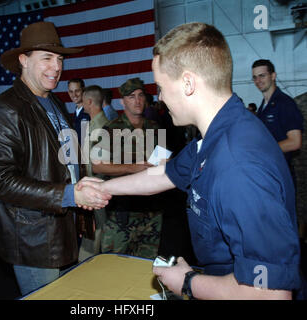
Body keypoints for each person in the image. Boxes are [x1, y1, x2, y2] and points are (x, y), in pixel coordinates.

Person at [78, 23, 302, 299]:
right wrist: (103, 189)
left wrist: (187, 282)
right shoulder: (217, 134)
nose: (158, 97)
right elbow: (163, 175)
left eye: (160, 86)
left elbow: (271, 294)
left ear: (187, 83)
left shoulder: (239, 165)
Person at [0, 21, 111, 296]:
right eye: (47, 58)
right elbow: (1, 180)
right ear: (23, 60)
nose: (56, 67)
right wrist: (69, 194)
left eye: (60, 59)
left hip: (65, 228)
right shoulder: (5, 108)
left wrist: (81, 180)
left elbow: (64, 159)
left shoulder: (55, 103)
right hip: (34, 238)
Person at [91, 77, 164, 260]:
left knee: (146, 268)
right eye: (131, 97)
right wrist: (133, 168)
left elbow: (163, 158)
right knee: (113, 266)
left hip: (152, 212)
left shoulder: (155, 127)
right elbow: (97, 164)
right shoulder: (112, 129)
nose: (137, 100)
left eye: (140, 95)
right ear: (122, 101)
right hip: (122, 213)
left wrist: (163, 162)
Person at [252, 59, 303, 181]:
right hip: (268, 171)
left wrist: (262, 150)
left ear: (273, 76)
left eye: (262, 76)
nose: (258, 81)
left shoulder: (285, 103)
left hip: (281, 172)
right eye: (254, 77)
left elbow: (295, 142)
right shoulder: (263, 107)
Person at [77, 85, 110, 261]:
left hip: (99, 189)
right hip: (93, 188)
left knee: (98, 234)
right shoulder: (93, 125)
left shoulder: (102, 128)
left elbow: (99, 166)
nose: (82, 105)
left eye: (83, 101)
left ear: (89, 102)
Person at [68, 78, 90, 146]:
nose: (74, 95)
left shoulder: (90, 112)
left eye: (77, 91)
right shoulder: (76, 113)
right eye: (71, 91)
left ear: (84, 90)